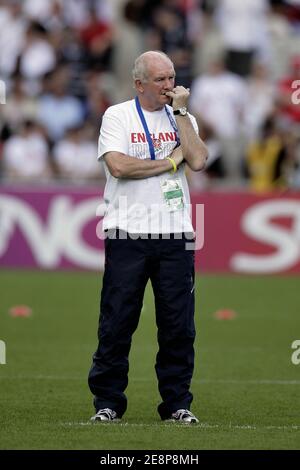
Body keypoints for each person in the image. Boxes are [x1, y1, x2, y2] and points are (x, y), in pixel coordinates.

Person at [88, 50, 208, 424]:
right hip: (128, 231)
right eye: (160, 79)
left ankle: (176, 404)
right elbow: (119, 165)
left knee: (178, 326)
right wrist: (172, 162)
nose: (170, 86)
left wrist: (183, 115)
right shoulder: (118, 115)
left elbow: (199, 159)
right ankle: (108, 403)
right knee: (117, 321)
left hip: (176, 234)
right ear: (139, 83)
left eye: (172, 77)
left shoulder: (182, 118)